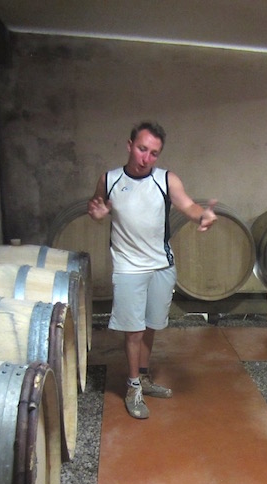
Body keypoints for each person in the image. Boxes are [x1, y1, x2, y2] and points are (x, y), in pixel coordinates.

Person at [87, 121, 217, 419]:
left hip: (161, 265)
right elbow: (96, 207)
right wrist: (98, 214)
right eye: (142, 149)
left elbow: (188, 205)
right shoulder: (109, 179)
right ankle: (133, 386)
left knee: (149, 326)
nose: (146, 158)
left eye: (154, 153)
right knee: (133, 331)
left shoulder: (165, 179)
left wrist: (203, 216)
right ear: (129, 145)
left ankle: (144, 376)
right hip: (128, 266)